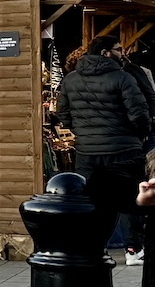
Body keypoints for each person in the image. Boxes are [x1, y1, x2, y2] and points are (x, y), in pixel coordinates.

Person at [56, 33, 150, 266]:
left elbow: (63, 114)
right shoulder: (122, 77)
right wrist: (139, 134)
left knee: (91, 196)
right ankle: (133, 249)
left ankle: (91, 246)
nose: (122, 54)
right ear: (105, 53)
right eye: (118, 50)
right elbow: (139, 113)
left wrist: (82, 132)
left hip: (88, 150)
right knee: (130, 197)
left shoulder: (71, 79)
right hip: (123, 147)